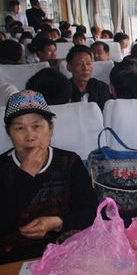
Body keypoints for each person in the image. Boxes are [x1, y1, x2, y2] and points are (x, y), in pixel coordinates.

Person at [0, 90, 101, 265]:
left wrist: (56, 222)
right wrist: (25, 176)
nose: (30, 137)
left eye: (37, 127)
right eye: (20, 128)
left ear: (50, 128)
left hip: (66, 251)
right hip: (13, 258)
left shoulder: (69, 162)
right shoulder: (2, 168)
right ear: (9, 133)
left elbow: (91, 213)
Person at [67, 45, 112, 110]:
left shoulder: (102, 88)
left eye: (88, 63)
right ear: (69, 67)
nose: (85, 68)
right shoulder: (64, 90)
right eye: (80, 64)